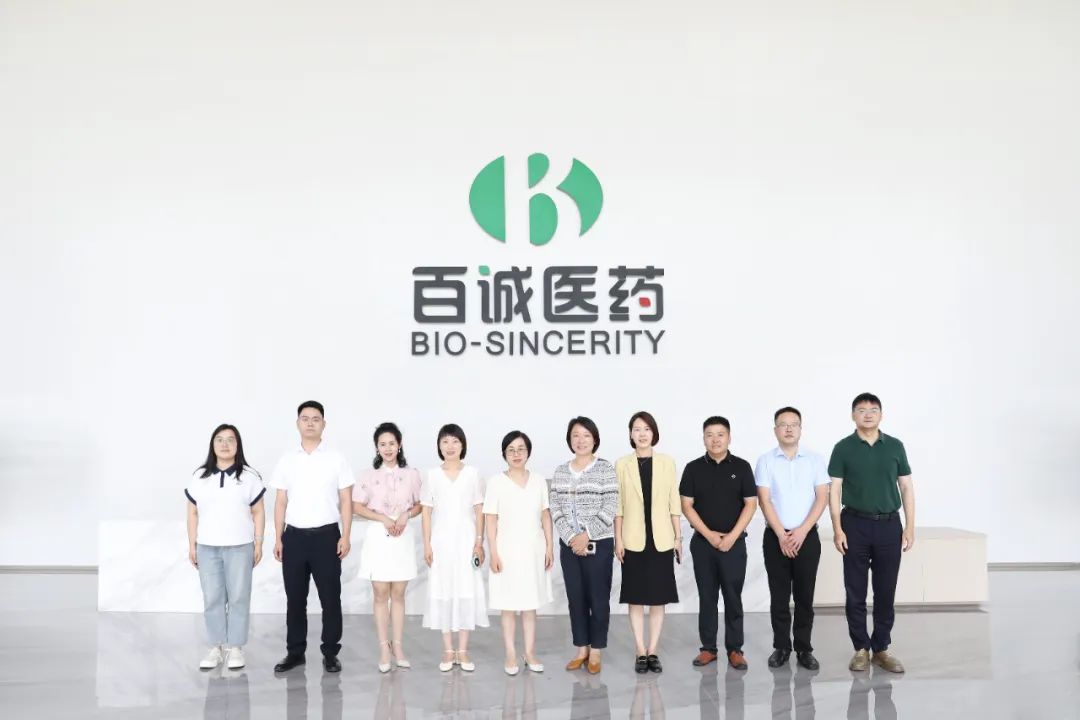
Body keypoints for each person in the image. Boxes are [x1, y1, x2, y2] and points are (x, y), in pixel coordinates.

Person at [828, 392, 915, 674]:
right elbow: (834, 490)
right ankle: (860, 649)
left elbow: (906, 487)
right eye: (862, 410)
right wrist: (837, 529)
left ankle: (881, 648)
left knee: (885, 590)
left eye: (873, 409)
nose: (868, 414)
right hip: (854, 524)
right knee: (855, 590)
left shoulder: (895, 446)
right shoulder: (843, 448)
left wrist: (910, 526)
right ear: (853, 415)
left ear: (881, 415)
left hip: (889, 525)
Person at [270, 400, 354, 674]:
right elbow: (280, 501)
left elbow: (346, 500)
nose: (310, 423)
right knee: (295, 598)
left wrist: (346, 535)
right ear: (297, 424)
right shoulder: (287, 459)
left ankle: (330, 653)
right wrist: (278, 538)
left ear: (323, 424)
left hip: (327, 537)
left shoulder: (336, 458)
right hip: (294, 538)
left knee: (331, 598)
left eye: (315, 419)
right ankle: (295, 652)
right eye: (305, 418)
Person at [185, 423, 265, 670]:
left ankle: (236, 647)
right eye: (219, 439)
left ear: (238, 445)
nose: (225, 444)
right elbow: (192, 513)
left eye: (230, 439)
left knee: (239, 596)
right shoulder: (200, 477)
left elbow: (258, 511)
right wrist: (192, 544)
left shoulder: (249, 477)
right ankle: (216, 646)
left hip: (240, 546)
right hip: (207, 547)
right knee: (212, 597)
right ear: (212, 444)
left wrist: (258, 542)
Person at [755, 407, 830, 670]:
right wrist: (781, 534)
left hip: (806, 537)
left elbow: (822, 497)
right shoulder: (765, 460)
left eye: (793, 424)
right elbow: (764, 500)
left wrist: (801, 531)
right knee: (779, 596)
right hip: (775, 537)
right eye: (783, 424)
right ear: (775, 430)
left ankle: (804, 648)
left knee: (804, 596)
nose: (788, 429)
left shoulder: (815, 460)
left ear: (800, 428)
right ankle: (781, 646)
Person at [680, 416, 758, 670]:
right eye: (710, 435)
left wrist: (732, 536)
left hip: (734, 544)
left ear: (729, 437)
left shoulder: (742, 467)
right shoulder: (693, 468)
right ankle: (708, 648)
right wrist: (710, 535)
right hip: (703, 544)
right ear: (703, 438)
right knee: (707, 597)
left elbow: (751, 504)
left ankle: (735, 649)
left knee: (733, 597)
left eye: (720, 434)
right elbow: (686, 506)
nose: (715, 439)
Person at [614, 410, 682, 674]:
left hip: (661, 539)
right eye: (637, 429)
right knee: (635, 597)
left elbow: (674, 503)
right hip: (632, 540)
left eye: (646, 429)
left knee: (657, 598)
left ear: (654, 433)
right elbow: (618, 507)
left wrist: (678, 537)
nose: (642, 434)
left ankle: (653, 650)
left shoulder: (667, 462)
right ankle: (640, 650)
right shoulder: (622, 464)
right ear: (630, 434)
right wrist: (618, 539)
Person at [550, 416, 618, 674]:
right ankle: (581, 649)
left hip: (599, 544)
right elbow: (555, 508)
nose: (581, 440)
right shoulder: (560, 471)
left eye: (586, 435)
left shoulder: (605, 469)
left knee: (598, 598)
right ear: (569, 440)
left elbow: (611, 505)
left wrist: (587, 534)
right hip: (569, 546)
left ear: (595, 439)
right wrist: (571, 537)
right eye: (576, 436)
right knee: (575, 598)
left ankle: (596, 651)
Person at [353, 422, 422, 673]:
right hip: (378, 537)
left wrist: (406, 515)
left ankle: (398, 646)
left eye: (392, 443)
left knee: (399, 594)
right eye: (382, 444)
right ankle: (384, 647)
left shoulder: (412, 474)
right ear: (377, 448)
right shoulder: (367, 475)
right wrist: (382, 518)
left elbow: (421, 504)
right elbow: (356, 506)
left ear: (399, 445)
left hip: (402, 537)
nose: (388, 448)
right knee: (381, 593)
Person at [484, 430, 554, 676]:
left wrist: (549, 546)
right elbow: (490, 519)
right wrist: (493, 552)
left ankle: (530, 652)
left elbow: (545, 515)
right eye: (511, 450)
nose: (516, 454)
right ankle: (511, 654)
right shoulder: (496, 482)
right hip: (506, 551)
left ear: (528, 452)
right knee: (508, 605)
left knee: (530, 605)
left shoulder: (538, 481)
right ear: (504, 453)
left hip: (533, 549)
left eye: (521, 449)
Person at [421, 423, 489, 672]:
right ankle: (448, 650)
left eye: (455, 441)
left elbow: (479, 510)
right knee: (444, 589)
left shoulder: (472, 473)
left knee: (465, 589)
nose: (450, 446)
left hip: (467, 540)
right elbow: (426, 513)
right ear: (439, 446)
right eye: (445, 441)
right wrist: (427, 545)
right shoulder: (432, 475)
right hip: (441, 542)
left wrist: (479, 542)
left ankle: (463, 650)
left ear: (463, 445)